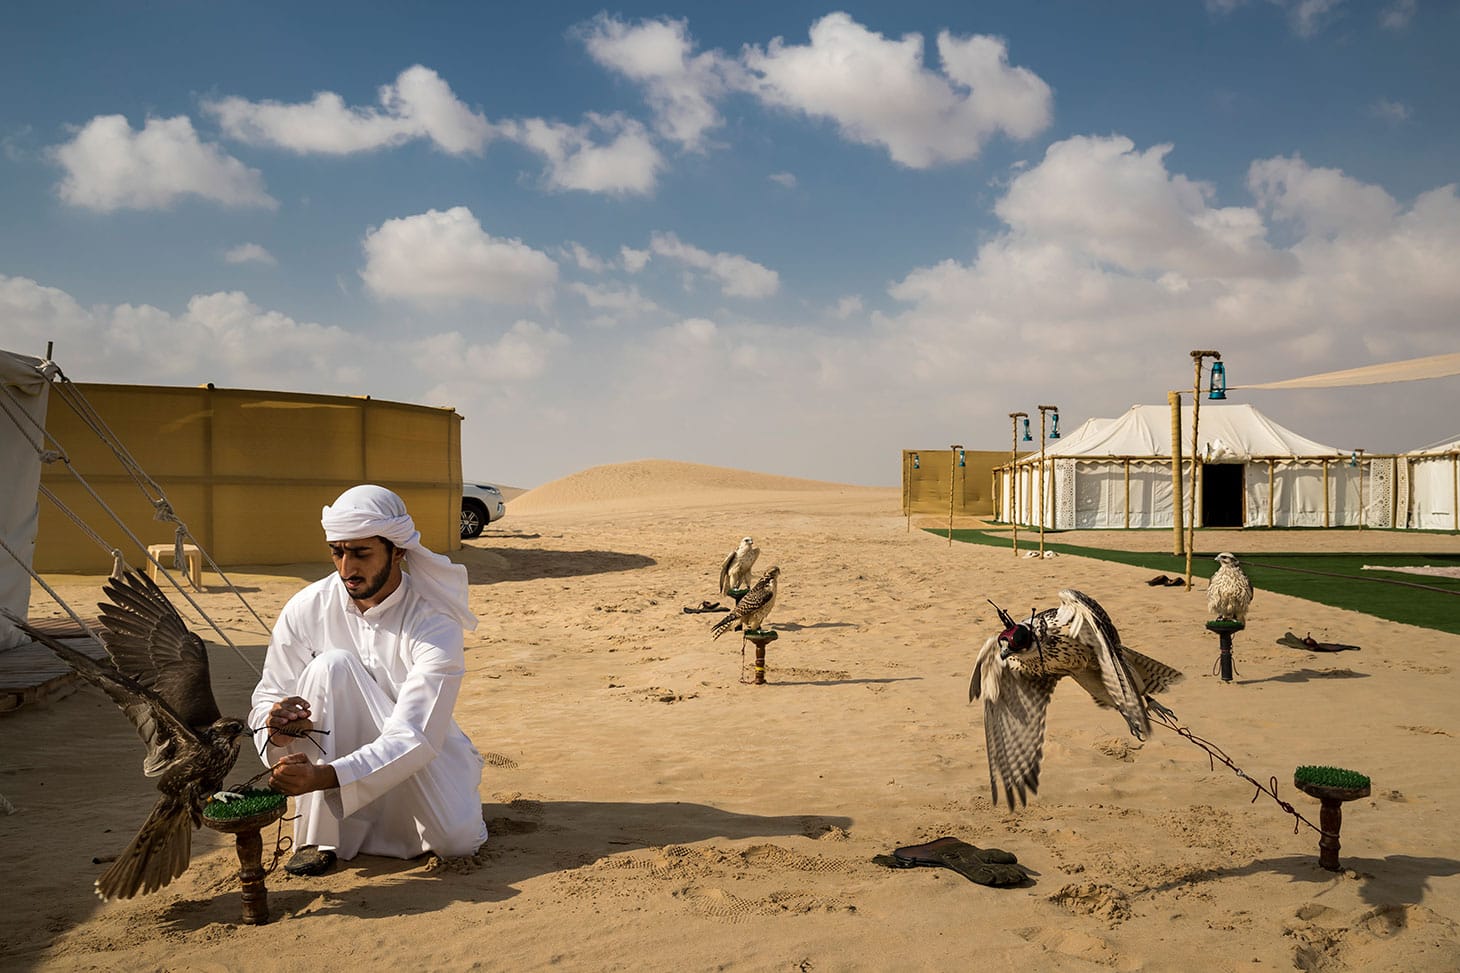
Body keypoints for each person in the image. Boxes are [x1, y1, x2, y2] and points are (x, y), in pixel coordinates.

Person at [249, 484, 489, 875]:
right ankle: (317, 837)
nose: (346, 568)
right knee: (331, 667)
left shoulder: (432, 619)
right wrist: (275, 729)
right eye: (337, 552)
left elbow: (416, 734)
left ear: (398, 551)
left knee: (456, 843)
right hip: (327, 763)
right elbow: (269, 694)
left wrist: (323, 777)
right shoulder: (306, 608)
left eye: (361, 553)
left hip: (414, 752)